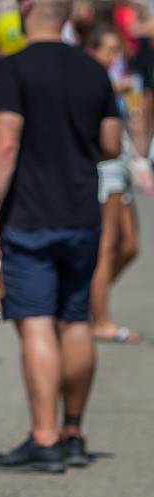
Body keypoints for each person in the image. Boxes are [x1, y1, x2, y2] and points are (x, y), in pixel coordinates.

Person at [0, 0, 122, 472]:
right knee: (76, 320)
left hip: (29, 214)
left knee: (37, 321)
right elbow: (111, 144)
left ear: (26, 10)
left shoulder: (15, 67)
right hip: (82, 210)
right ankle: (73, 432)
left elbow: (5, 142)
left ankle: (44, 438)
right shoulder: (93, 68)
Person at [85, 24, 147, 344]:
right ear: (92, 50)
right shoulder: (91, 79)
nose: (114, 55)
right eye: (109, 49)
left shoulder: (107, 80)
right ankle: (101, 319)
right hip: (106, 167)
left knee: (130, 245)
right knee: (106, 246)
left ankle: (87, 301)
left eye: (116, 49)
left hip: (120, 165)